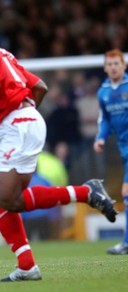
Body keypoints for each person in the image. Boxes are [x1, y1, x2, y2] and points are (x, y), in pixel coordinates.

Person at [0, 10, 118, 282]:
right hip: (17, 122)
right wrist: (27, 113)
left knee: (10, 199)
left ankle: (85, 192)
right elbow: (40, 86)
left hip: (16, 124)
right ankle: (27, 265)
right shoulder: (2, 53)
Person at [94, 49, 128, 255]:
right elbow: (105, 120)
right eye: (110, 64)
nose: (114, 67)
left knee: (126, 193)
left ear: (124, 65)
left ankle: (126, 243)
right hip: (123, 148)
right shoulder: (103, 92)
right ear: (105, 68)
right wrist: (101, 138)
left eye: (117, 63)